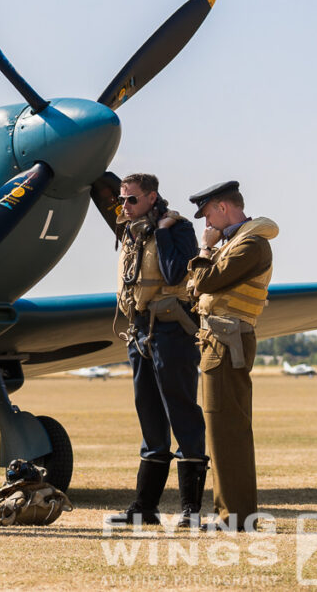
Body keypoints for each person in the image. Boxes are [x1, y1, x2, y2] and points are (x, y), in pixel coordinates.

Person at [107, 173, 209, 528]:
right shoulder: (131, 233)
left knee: (182, 413)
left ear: (152, 197)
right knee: (149, 416)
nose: (125, 207)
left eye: (131, 200)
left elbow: (173, 272)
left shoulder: (176, 229)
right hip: (139, 332)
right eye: (122, 200)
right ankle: (144, 508)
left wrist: (163, 231)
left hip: (171, 332)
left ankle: (190, 511)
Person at [187, 181, 278, 531]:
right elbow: (192, 285)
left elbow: (204, 282)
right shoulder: (236, 243)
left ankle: (234, 517)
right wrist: (205, 261)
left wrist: (204, 249)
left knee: (227, 429)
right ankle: (231, 514)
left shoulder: (251, 245)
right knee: (223, 428)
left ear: (223, 208)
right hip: (218, 340)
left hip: (226, 341)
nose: (207, 224)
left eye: (208, 213)